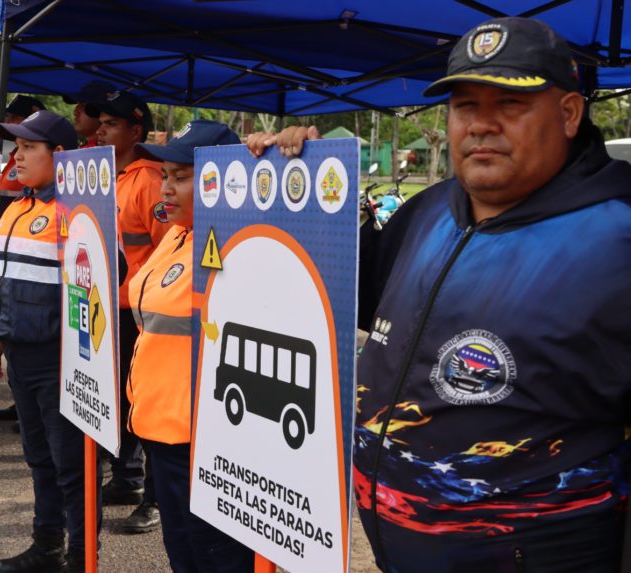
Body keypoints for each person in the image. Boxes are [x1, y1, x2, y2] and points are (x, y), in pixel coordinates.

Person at [247, 17, 631, 573]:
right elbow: (350, 291)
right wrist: (294, 193)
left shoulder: (615, 235)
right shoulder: (428, 211)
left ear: (569, 114)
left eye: (511, 104)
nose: (481, 125)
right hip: (397, 543)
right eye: (465, 106)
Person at [128, 119, 254, 572]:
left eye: (182, 176)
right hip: (161, 431)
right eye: (165, 174)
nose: (166, 187)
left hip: (202, 439)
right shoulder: (178, 236)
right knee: (183, 553)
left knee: (215, 558)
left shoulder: (238, 244)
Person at [0, 110, 101, 573]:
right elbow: (2, 278)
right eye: (17, 146)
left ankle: (82, 557)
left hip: (62, 358)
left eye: (29, 147)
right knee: (38, 458)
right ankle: (48, 545)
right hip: (20, 354)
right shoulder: (17, 207)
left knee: (70, 464)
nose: (18, 155)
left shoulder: (79, 212)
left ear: (60, 155)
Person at [86, 90, 170, 532]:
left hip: (139, 317)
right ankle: (127, 479)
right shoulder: (103, 175)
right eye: (99, 121)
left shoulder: (150, 180)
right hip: (107, 312)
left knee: (146, 407)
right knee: (116, 404)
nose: (100, 129)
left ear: (135, 131)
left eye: (111, 124)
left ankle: (154, 499)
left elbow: (167, 249)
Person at [0, 94, 48, 432]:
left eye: (17, 117)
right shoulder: (19, 199)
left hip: (48, 328)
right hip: (17, 318)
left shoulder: (69, 207)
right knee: (37, 452)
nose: (11, 124)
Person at [63, 80, 115, 148]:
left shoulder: (109, 153)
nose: (75, 112)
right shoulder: (83, 151)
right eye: (78, 103)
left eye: (83, 103)